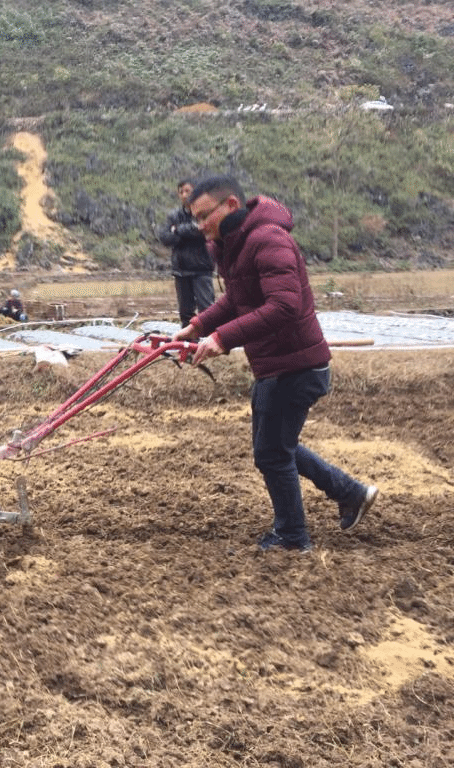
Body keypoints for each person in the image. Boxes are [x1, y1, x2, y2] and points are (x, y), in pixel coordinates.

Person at [173, 175, 378, 553]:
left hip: (295, 366)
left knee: (271, 452)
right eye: (194, 218)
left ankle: (292, 536)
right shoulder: (233, 244)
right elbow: (238, 299)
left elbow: (284, 305)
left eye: (203, 216)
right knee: (276, 447)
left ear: (231, 205)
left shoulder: (268, 239)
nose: (199, 226)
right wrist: (199, 325)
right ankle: (351, 493)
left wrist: (222, 339)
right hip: (278, 363)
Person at [158, 178, 216, 326]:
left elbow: (202, 230)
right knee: (185, 313)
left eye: (187, 191)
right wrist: (188, 232)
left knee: (207, 310)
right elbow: (164, 237)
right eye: (181, 192)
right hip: (181, 270)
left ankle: (210, 338)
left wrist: (177, 230)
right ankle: (188, 340)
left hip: (201, 269)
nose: (184, 195)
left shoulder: (204, 212)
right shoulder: (174, 215)